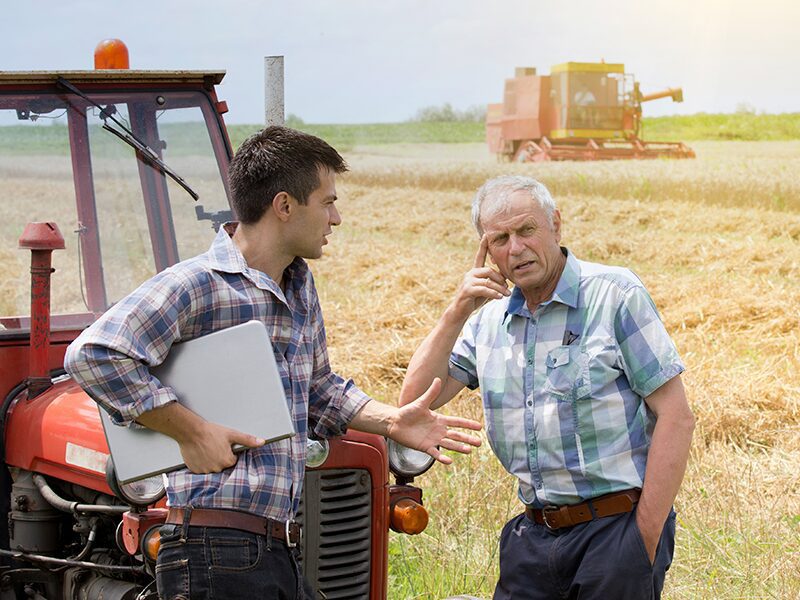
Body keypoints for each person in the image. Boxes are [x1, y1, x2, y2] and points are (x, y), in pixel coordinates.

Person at [64, 126, 482, 600]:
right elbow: (94, 354)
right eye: (327, 202)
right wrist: (191, 431)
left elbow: (319, 390)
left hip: (274, 543)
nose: (336, 217)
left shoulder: (299, 289)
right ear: (284, 206)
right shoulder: (198, 283)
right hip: (211, 545)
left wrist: (391, 420)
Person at [400, 175, 695, 599]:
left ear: (555, 224)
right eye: (499, 239)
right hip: (533, 537)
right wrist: (456, 310)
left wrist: (643, 535)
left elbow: (677, 416)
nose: (515, 249)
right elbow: (412, 403)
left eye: (526, 230)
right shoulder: (487, 319)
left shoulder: (614, 295)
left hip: (615, 531)